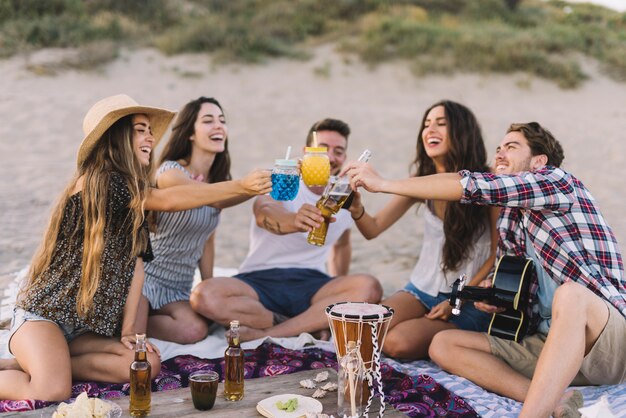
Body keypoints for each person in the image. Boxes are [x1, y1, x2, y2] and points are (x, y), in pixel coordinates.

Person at [0, 94, 271, 401]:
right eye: (140, 129)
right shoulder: (99, 181)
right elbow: (168, 200)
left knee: (145, 363)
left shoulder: (133, 201)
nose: (150, 137)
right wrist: (243, 186)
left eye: (149, 130)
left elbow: (137, 270)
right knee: (51, 390)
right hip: (44, 317)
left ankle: (38, 363)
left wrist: (130, 331)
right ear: (117, 137)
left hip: (83, 329)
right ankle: (45, 368)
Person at [344, 122, 625, 418]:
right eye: (499, 148)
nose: (501, 153)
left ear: (539, 161)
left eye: (512, 147)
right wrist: (494, 299)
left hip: (607, 340)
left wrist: (383, 183)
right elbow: (517, 291)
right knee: (443, 344)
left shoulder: (557, 182)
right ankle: (555, 400)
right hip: (554, 347)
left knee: (571, 296)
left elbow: (473, 186)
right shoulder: (510, 219)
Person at [191, 118, 383, 342]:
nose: (331, 157)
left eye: (338, 151)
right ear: (305, 153)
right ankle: (305, 324)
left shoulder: (343, 195)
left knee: (369, 287)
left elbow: (341, 245)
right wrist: (295, 220)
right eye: (322, 149)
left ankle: (269, 332)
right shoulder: (284, 177)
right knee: (203, 296)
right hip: (258, 281)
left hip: (313, 284)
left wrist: (337, 294)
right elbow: (265, 213)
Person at [345, 100, 498, 360]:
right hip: (422, 287)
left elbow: (497, 252)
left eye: (441, 123)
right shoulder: (420, 180)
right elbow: (373, 228)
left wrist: (457, 299)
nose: (430, 130)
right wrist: (356, 208)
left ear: (462, 131)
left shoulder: (485, 182)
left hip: (469, 297)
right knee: (362, 331)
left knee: (396, 343)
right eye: (426, 124)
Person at [137, 97, 268, 344]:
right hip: (146, 277)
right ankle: (134, 321)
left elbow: (207, 240)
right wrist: (246, 187)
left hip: (178, 287)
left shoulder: (215, 183)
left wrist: (208, 285)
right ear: (190, 133)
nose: (218, 126)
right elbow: (212, 199)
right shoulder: (171, 173)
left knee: (195, 331)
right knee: (136, 336)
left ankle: (143, 322)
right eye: (208, 121)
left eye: (222, 121)